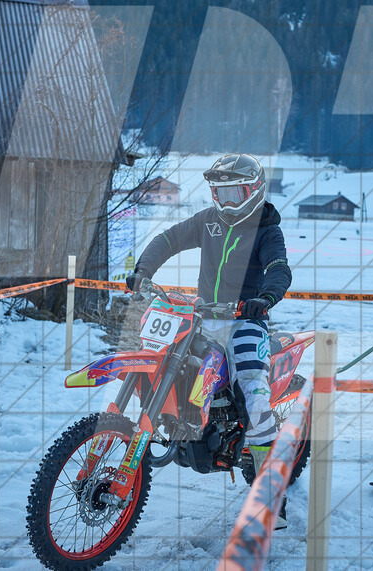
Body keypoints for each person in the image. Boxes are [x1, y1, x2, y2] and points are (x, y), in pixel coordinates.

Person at [125, 153, 293, 527]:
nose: (227, 200)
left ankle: (269, 497)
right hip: (202, 317)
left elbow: (278, 268)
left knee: (253, 390)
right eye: (220, 192)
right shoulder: (208, 221)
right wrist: (143, 270)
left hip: (244, 320)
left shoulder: (267, 229)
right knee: (169, 362)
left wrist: (264, 299)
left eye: (235, 191)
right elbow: (169, 239)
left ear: (253, 190)